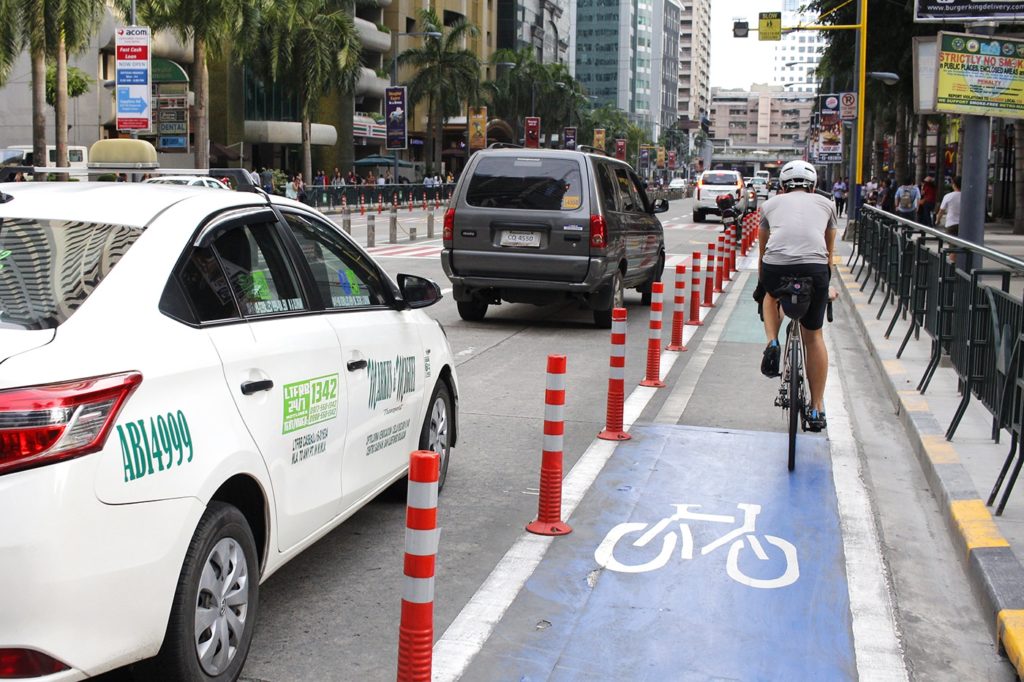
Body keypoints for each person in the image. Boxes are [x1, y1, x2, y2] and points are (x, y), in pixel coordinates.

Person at [757, 159, 838, 432]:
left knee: (769, 295)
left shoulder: (768, 206)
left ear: (782, 186)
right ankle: (816, 409)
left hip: (775, 266)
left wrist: (764, 283)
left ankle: (772, 342)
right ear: (813, 185)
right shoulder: (827, 205)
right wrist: (827, 286)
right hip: (815, 270)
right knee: (813, 336)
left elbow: (763, 250)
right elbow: (828, 250)